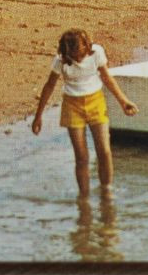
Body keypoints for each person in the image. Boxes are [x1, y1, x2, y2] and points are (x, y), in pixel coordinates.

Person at [31, 29, 138, 199]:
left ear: (87, 46)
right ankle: (84, 196)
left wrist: (124, 101)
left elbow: (107, 78)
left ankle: (106, 191)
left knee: (104, 151)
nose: (78, 57)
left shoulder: (97, 53)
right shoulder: (61, 61)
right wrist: (38, 116)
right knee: (81, 156)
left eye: (81, 52)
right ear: (66, 52)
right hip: (72, 106)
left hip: (96, 101)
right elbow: (49, 86)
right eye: (73, 54)